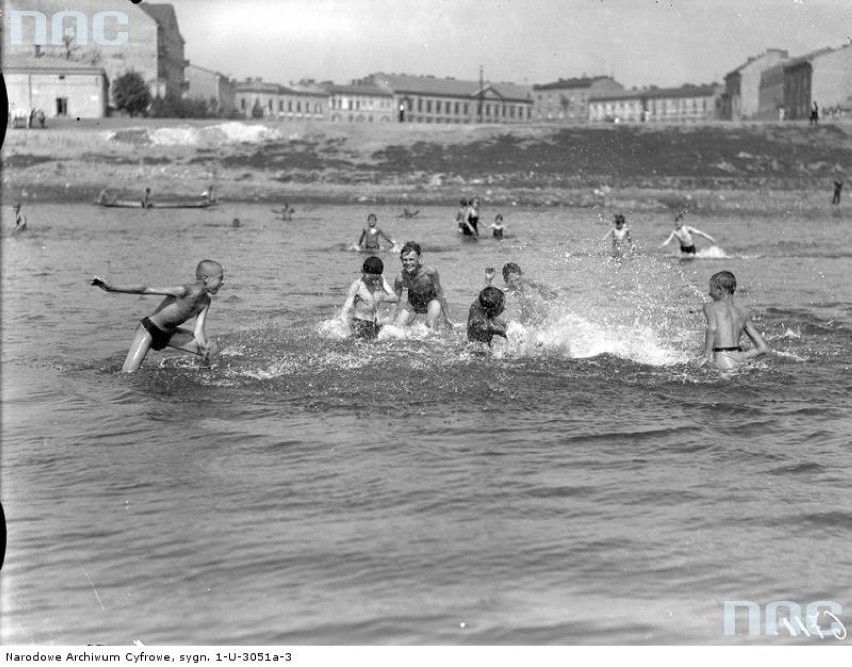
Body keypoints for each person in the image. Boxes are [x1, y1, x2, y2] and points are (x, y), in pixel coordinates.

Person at [91, 259, 224, 373]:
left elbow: (199, 330)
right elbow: (145, 289)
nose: (222, 283)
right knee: (128, 373)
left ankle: (205, 375)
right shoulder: (184, 290)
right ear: (206, 278)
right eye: (220, 279)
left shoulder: (206, 301)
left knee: (212, 349)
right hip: (149, 330)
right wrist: (111, 288)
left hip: (170, 334)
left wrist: (202, 346)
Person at [698, 270, 768, 370]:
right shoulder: (743, 313)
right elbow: (763, 348)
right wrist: (741, 356)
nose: (709, 293)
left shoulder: (710, 307)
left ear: (719, 290)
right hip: (738, 362)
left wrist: (706, 356)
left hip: (721, 361)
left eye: (711, 289)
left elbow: (712, 329)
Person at [392, 241, 453, 329]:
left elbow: (440, 294)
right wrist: (390, 318)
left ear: (420, 259)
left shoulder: (430, 272)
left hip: (432, 301)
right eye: (405, 259)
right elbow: (396, 299)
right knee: (396, 328)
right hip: (413, 304)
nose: (408, 263)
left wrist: (447, 317)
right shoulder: (401, 278)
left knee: (429, 326)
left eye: (411, 259)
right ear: (401, 260)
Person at [339, 256, 398, 339]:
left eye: (376, 278)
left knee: (397, 335)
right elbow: (348, 304)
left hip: (374, 323)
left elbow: (395, 298)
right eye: (370, 278)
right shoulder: (357, 285)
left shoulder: (380, 279)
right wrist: (343, 317)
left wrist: (381, 297)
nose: (374, 281)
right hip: (360, 323)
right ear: (362, 271)